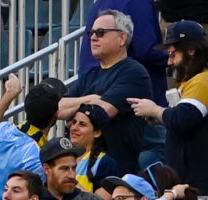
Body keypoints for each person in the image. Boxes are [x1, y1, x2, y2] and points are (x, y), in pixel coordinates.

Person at [140, 21, 208, 200]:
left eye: (173, 54)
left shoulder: (205, 80)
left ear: (191, 50)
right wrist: (161, 117)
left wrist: (155, 110)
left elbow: (183, 118)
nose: (169, 61)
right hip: (198, 189)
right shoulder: (200, 79)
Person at [63, 14, 161, 179]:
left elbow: (101, 112)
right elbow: (57, 108)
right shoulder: (90, 74)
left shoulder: (134, 72)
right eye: (91, 33)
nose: (93, 37)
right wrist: (88, 99)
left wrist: (78, 108)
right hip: (84, 168)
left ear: (122, 38)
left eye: (101, 32)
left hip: (116, 173)